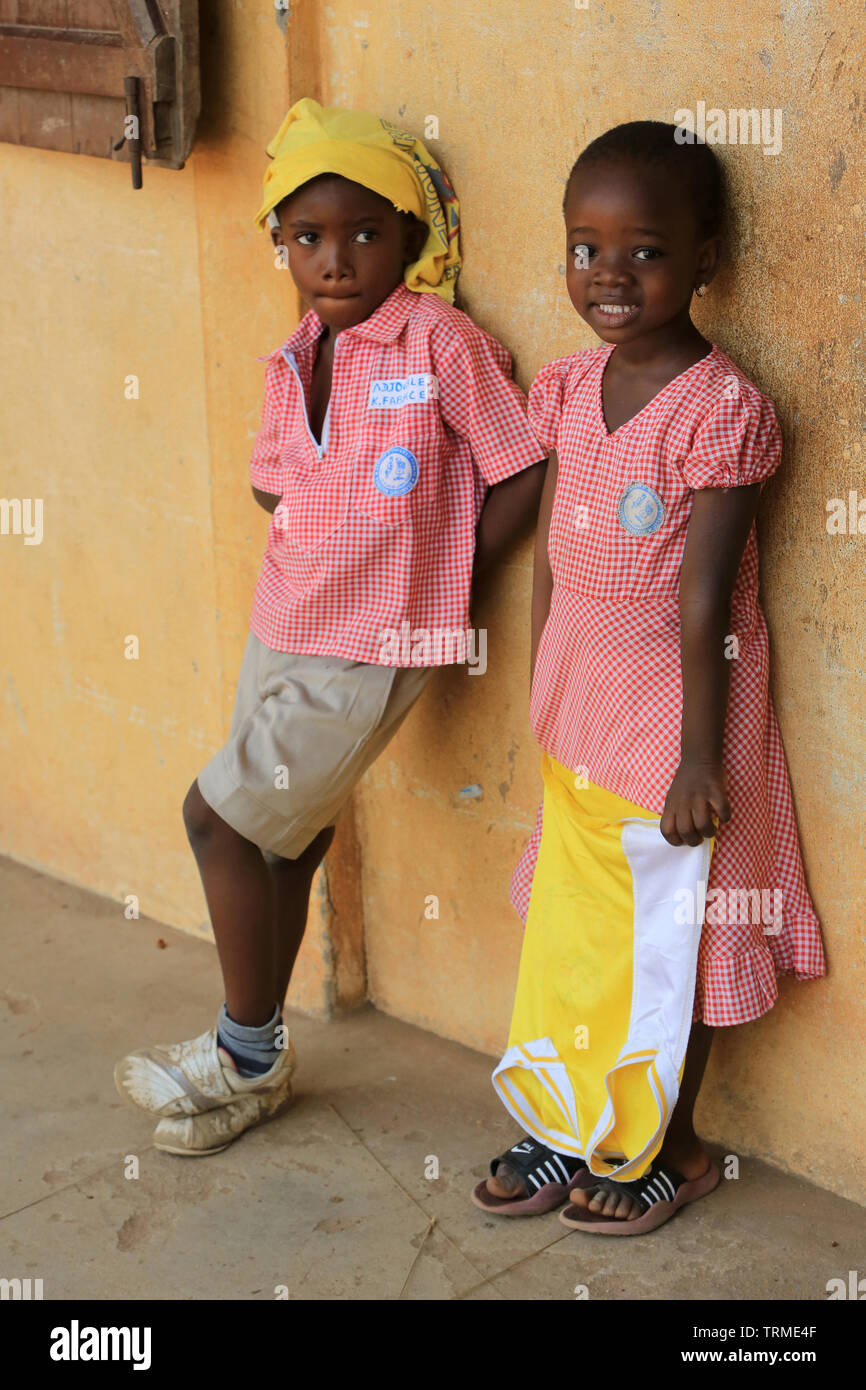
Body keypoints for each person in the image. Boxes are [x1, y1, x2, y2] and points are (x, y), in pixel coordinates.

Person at [114, 99, 546, 1156]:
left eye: (363, 232)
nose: (337, 258)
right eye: (308, 237)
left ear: (410, 235)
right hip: (285, 619)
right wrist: (338, 503)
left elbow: (520, 465)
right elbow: (278, 484)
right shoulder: (292, 354)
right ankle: (255, 1069)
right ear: (281, 247)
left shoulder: (441, 344)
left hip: (373, 641)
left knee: (216, 815)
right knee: (284, 844)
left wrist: (436, 578)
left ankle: (239, 1051)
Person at [472, 121, 825, 1234]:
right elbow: (551, 567)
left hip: (678, 735)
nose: (608, 276)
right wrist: (540, 689)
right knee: (579, 930)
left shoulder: (720, 412)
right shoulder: (570, 390)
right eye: (585, 248)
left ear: (707, 258)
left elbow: (708, 601)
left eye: (645, 252)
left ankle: (670, 1146)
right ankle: (569, 1122)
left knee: (677, 932)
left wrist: (694, 757)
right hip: (580, 716)